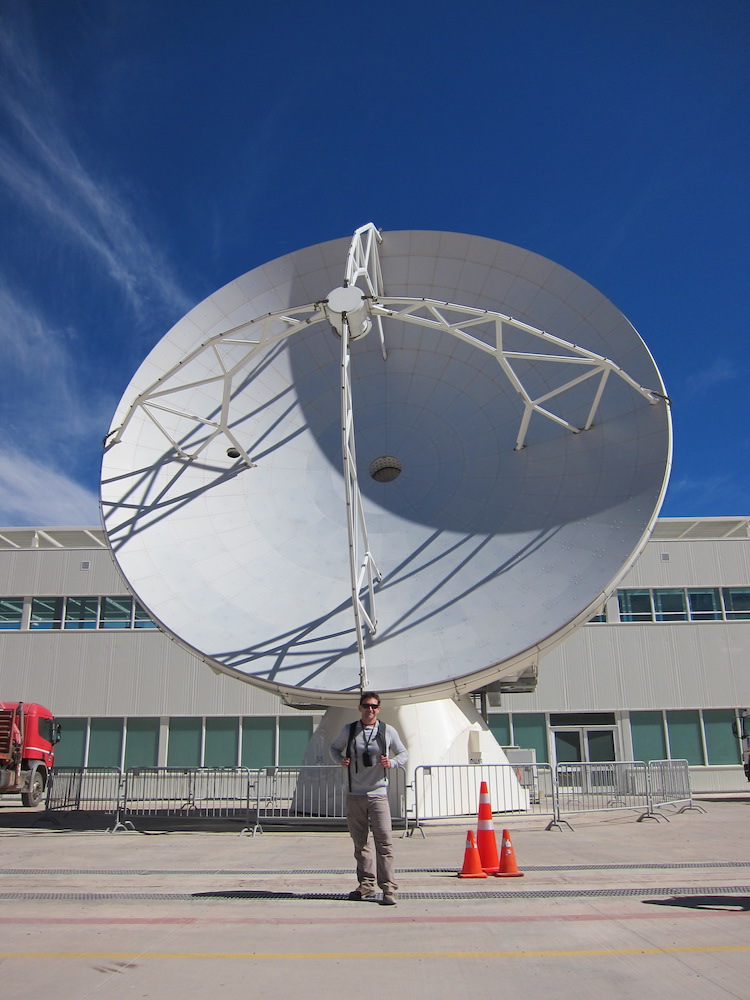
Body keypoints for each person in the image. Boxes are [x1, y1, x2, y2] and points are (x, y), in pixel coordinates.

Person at [330, 692, 408, 905]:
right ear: (360, 708)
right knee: (360, 843)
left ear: (379, 709)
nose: (370, 709)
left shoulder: (387, 731)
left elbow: (403, 753)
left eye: (374, 706)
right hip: (355, 794)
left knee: (384, 843)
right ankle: (366, 885)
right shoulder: (350, 730)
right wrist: (340, 760)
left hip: (378, 795)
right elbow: (334, 748)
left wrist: (391, 763)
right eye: (366, 705)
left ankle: (389, 888)